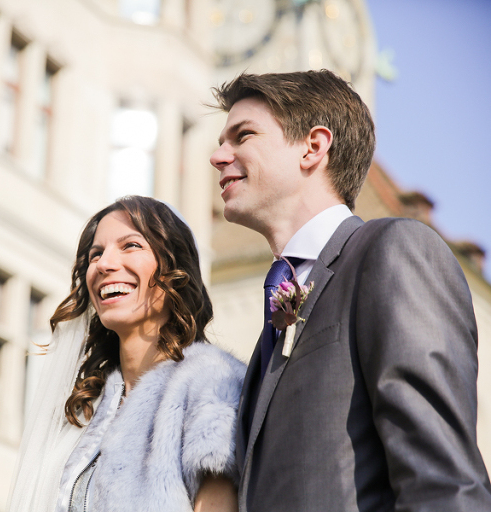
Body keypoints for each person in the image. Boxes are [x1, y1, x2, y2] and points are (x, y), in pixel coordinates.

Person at [209, 69, 491, 511]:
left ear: (313, 147)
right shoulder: (274, 319)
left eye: (242, 136)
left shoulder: (393, 250)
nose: (217, 156)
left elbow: (443, 484)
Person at [8, 196, 246, 512]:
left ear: (174, 267)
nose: (104, 264)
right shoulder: (86, 409)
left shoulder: (212, 384)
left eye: (130, 245)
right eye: (96, 254)